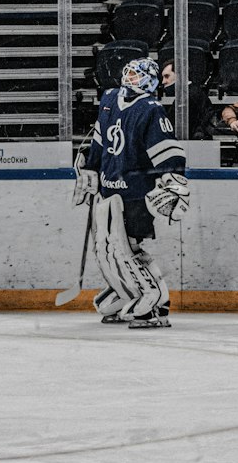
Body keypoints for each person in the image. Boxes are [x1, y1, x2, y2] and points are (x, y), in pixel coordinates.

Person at [73, 57, 189, 329]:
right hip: (108, 188)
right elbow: (100, 141)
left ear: (150, 80)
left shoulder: (151, 109)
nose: (131, 79)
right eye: (130, 73)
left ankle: (154, 299)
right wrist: (90, 168)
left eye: (138, 75)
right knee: (108, 248)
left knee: (129, 248)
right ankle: (127, 289)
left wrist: (172, 179)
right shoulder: (110, 99)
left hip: (136, 191)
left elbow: (169, 152)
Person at [159, 58, 216, 140]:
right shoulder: (190, 93)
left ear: (180, 75)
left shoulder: (189, 96)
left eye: (167, 76)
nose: (163, 81)